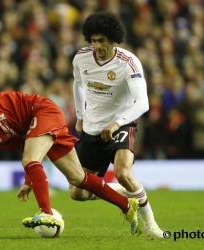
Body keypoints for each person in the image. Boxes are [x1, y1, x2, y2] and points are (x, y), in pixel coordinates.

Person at [0, 89, 142, 236]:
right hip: (36, 127)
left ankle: (46, 212)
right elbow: (25, 145)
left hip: (42, 111)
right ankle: (126, 206)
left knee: (30, 160)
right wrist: (29, 181)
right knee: (78, 178)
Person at [70, 11, 164, 238]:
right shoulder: (81, 58)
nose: (97, 46)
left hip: (121, 123)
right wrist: (80, 116)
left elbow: (143, 103)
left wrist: (116, 123)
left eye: (101, 40)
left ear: (113, 38)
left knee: (123, 172)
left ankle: (152, 226)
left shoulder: (128, 62)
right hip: (92, 127)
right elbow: (78, 84)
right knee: (77, 193)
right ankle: (122, 193)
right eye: (93, 41)